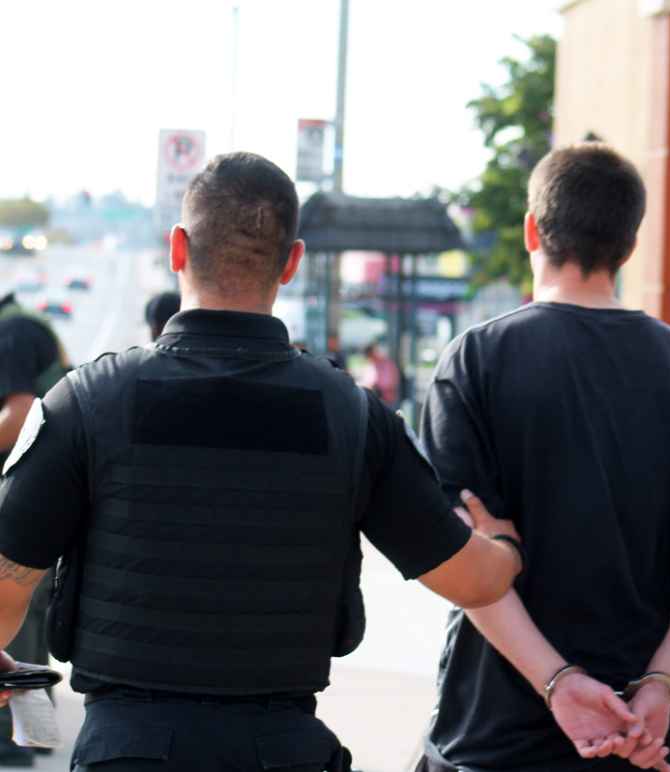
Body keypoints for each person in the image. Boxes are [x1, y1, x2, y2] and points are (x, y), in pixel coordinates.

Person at [0, 152, 526, 772]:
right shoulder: (354, 417)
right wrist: (503, 545)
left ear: (177, 249)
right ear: (293, 260)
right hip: (284, 750)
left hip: (127, 750)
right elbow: (471, 582)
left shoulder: (86, 403)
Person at [415, 142, 670, 772]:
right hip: (653, 740)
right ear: (630, 242)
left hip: (498, 733)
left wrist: (558, 683)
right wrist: (659, 687)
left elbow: (464, 561)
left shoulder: (477, 360)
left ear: (532, 231)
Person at [0, 292, 68, 766]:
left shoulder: (12, 333)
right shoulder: (24, 325)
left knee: (12, 613)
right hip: (38, 495)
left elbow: (20, 413)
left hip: (22, 497)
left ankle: (11, 739)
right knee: (26, 620)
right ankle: (32, 734)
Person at [356, 341, 401, 407]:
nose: (372, 357)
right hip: (373, 402)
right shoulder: (370, 365)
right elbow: (365, 382)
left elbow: (390, 384)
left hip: (386, 403)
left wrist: (374, 384)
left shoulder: (387, 364)